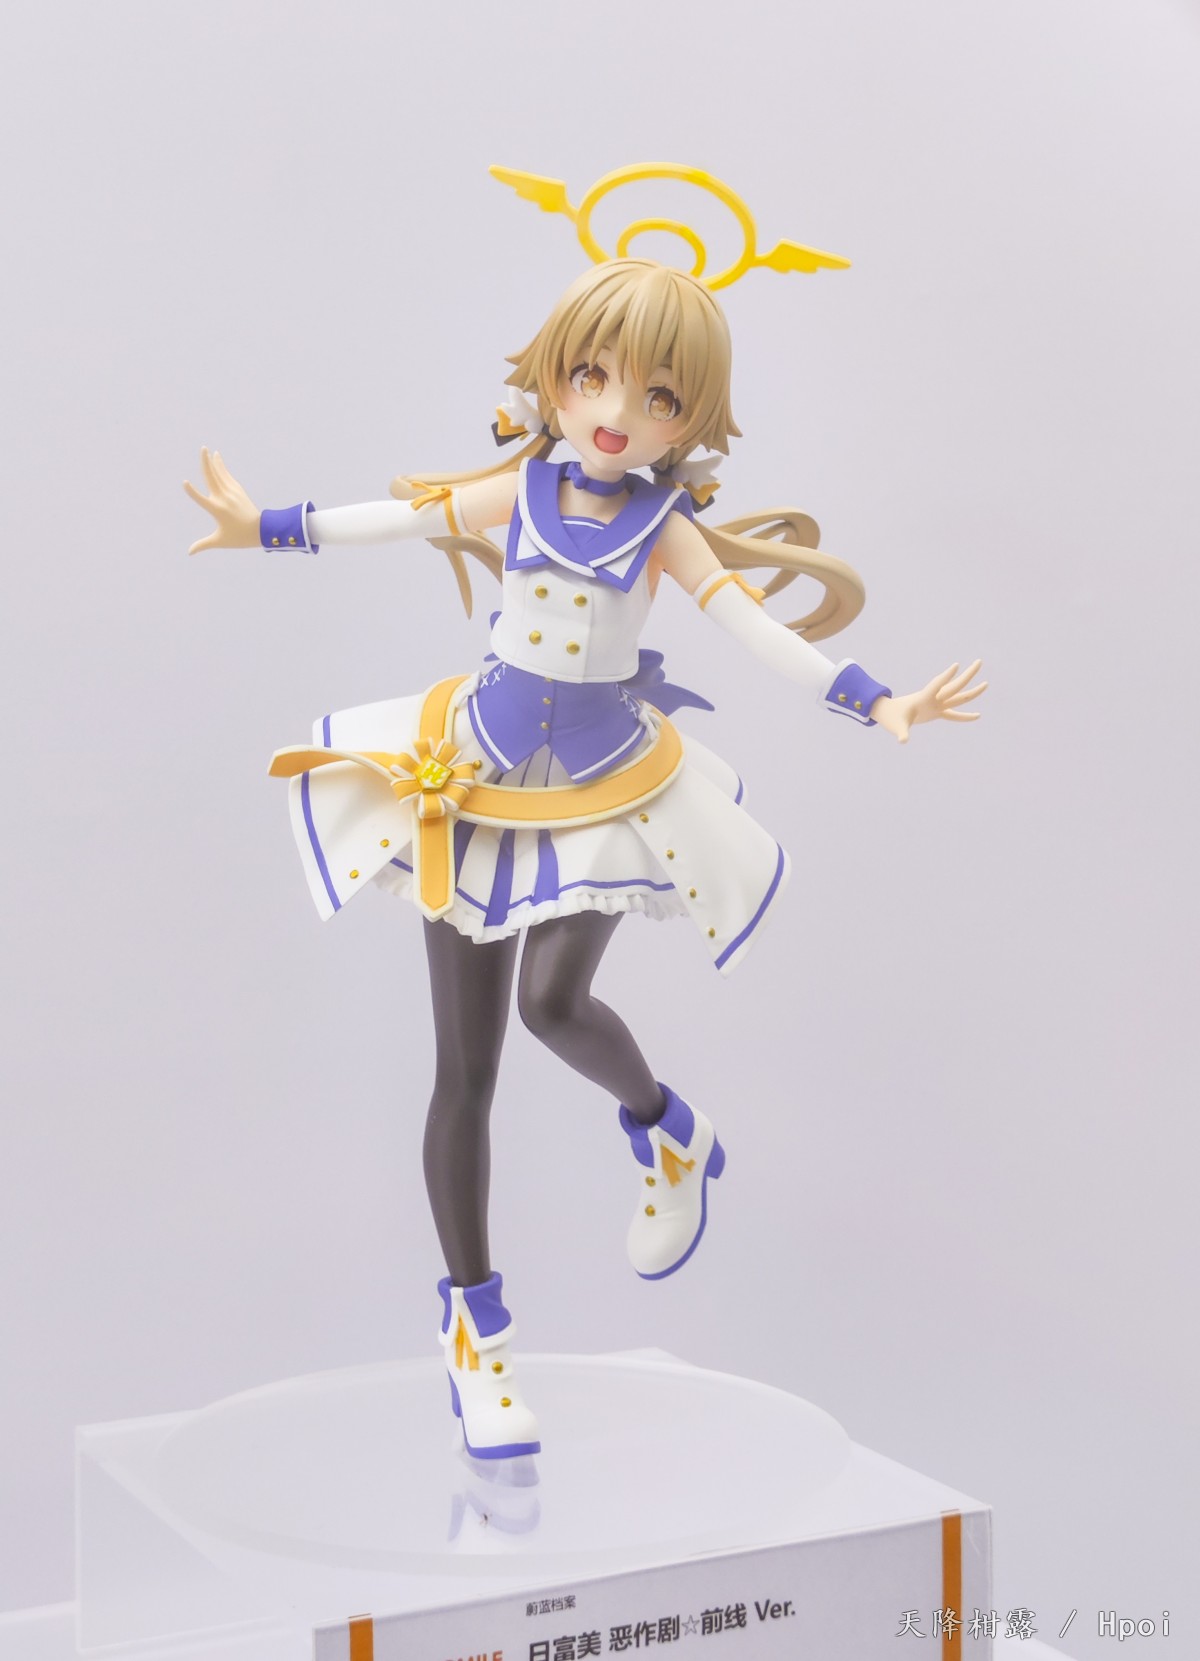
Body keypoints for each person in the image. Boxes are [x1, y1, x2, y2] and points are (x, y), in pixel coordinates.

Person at [185, 195, 985, 1462]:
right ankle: (476, 1334)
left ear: (690, 420)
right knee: (465, 1070)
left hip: (608, 782)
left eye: (658, 396)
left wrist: (876, 697)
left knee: (554, 1005)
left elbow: (755, 628)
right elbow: (392, 519)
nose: (617, 411)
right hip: (473, 774)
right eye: (594, 376)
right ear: (555, 376)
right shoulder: (518, 490)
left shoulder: (665, 528)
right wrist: (265, 527)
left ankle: (665, 1127)